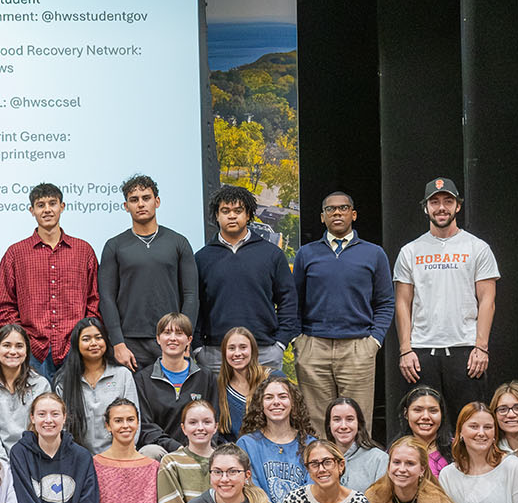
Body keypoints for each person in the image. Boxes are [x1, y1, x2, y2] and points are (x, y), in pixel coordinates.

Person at [394, 177, 500, 419]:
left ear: (458, 206)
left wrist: (481, 347)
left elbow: (487, 301)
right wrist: (405, 349)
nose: (441, 207)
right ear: (426, 207)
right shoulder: (410, 251)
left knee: (469, 422)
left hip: (465, 350)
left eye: (448, 201)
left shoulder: (477, 248)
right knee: (422, 422)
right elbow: (402, 302)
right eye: (435, 202)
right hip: (421, 352)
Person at [292, 192, 395, 428]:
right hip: (314, 348)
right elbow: (293, 301)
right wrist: (298, 339)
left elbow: (386, 302)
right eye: (330, 209)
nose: (337, 212)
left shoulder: (374, 253)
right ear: (322, 217)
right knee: (316, 425)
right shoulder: (306, 254)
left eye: (343, 208)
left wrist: (374, 341)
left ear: (354, 214)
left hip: (358, 347)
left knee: (356, 422)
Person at [0, 182, 100, 380]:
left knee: (75, 408)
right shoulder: (15, 254)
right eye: (40, 205)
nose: (47, 209)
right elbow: (4, 305)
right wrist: (22, 340)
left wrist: (84, 336)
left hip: (76, 348)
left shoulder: (83, 250)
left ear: (62, 207)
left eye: (52, 203)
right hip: (32, 351)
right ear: (31, 211)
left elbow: (94, 300)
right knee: (36, 409)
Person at [97, 174, 199, 371]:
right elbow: (107, 298)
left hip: (171, 338)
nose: (141, 204)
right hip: (129, 343)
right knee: (129, 402)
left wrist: (185, 338)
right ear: (126, 206)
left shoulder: (179, 242)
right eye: (134, 200)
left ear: (157, 201)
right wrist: (118, 343)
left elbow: (191, 296)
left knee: (175, 401)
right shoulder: (114, 246)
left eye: (146, 198)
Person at [193, 185, 298, 372]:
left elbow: (288, 300)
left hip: (264, 351)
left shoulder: (272, 254)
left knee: (267, 402)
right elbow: (196, 305)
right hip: (216, 355)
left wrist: (281, 343)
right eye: (225, 211)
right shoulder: (202, 258)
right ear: (216, 216)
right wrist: (198, 347)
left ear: (248, 214)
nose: (231, 216)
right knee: (219, 403)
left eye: (238, 210)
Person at [135, 312, 218, 454]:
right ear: (158, 339)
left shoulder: (205, 377)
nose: (172, 338)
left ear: (189, 340)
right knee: (150, 452)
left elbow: (215, 418)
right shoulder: (143, 379)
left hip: (199, 448)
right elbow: (146, 426)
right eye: (167, 333)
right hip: (162, 450)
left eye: (179, 333)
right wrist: (176, 448)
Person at [56, 318, 139, 454]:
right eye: (86, 339)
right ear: (76, 344)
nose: (94, 343)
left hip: (118, 455)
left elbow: (133, 420)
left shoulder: (122, 375)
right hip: (78, 457)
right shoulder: (65, 381)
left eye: (99, 337)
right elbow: (62, 426)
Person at [0, 323, 51, 459]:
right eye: (7, 345)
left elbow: (43, 430)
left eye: (19, 346)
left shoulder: (40, 384)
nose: (13, 351)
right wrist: (5, 465)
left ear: (26, 352)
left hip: (34, 458)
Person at [235, 375, 315, 503]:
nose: (276, 402)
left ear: (293, 402)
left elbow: (313, 489)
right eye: (269, 397)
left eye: (283, 397)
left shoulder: (310, 445)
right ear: (261, 404)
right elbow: (251, 490)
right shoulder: (247, 444)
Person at [214, 327, 280, 442]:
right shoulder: (220, 388)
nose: (237, 353)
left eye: (243, 347)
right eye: (231, 348)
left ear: (253, 350)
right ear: (224, 353)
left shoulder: (273, 379)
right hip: (235, 454)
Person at [325, 396, 387, 492]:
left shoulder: (378, 459)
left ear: (359, 423)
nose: (343, 426)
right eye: (337, 420)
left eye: (350, 419)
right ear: (329, 425)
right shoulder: (319, 458)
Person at [398, 385, 451, 476]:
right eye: (417, 410)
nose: (425, 417)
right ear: (406, 414)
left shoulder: (458, 449)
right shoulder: (395, 450)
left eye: (433, 411)